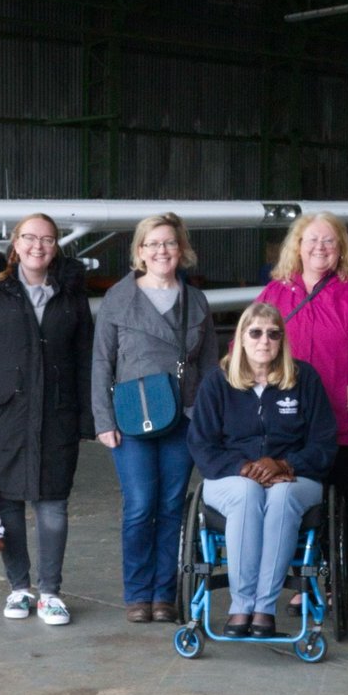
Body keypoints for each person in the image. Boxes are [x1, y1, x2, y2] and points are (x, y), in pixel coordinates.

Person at [0, 213, 95, 626]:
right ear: (15, 244)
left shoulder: (70, 293)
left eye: (47, 239)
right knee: (8, 505)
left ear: (56, 247)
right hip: (1, 416)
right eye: (29, 238)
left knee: (53, 506)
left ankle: (50, 592)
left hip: (56, 416)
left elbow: (85, 358)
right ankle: (19, 588)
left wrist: (87, 417)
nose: (38, 246)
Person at [256, 212, 348, 615]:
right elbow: (248, 343)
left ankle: (333, 585)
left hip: (345, 418)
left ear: (342, 249)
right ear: (297, 246)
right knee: (295, 501)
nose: (320, 248)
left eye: (330, 242)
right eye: (312, 240)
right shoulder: (275, 293)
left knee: (340, 503)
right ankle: (303, 581)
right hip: (288, 419)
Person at [92, 213, 218, 624]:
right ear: (140, 252)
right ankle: (137, 593)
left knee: (170, 507)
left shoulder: (195, 301)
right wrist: (103, 419)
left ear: (181, 249)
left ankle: (164, 595)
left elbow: (211, 368)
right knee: (140, 505)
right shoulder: (118, 298)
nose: (161, 250)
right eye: (153, 244)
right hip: (131, 416)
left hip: (184, 415)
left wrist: (209, 420)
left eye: (169, 243)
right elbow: (100, 362)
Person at [187, 303, 338, 638]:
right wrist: (243, 467)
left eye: (273, 333)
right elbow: (202, 446)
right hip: (231, 479)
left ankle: (263, 608)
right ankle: (241, 604)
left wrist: (285, 464)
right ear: (241, 337)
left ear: (282, 340)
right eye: (255, 332)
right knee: (247, 492)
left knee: (282, 495)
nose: (264, 340)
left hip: (295, 478)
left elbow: (324, 443)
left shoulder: (304, 379)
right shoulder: (218, 382)